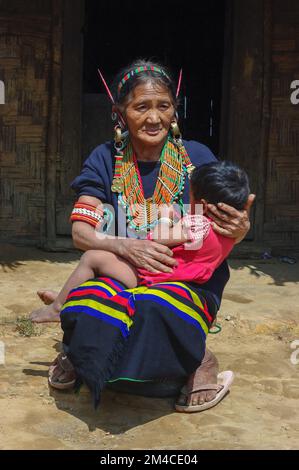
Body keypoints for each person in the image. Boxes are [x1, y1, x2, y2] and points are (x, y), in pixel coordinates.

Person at [36, 60, 255, 411]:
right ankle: (79, 354)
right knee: (90, 300)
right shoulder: (104, 159)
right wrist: (125, 245)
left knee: (153, 308)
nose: (154, 118)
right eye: (141, 107)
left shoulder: (197, 159)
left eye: (163, 106)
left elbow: (224, 230)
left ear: (174, 111)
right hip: (126, 270)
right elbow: (81, 232)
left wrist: (241, 231)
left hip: (187, 280)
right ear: (120, 112)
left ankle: (199, 360)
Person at [30, 161, 250, 324]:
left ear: (202, 203)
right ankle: (65, 297)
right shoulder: (230, 230)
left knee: (92, 258)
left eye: (189, 196)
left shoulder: (196, 223)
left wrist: (165, 216)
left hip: (153, 275)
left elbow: (158, 237)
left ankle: (58, 308)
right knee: (108, 263)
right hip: (185, 278)